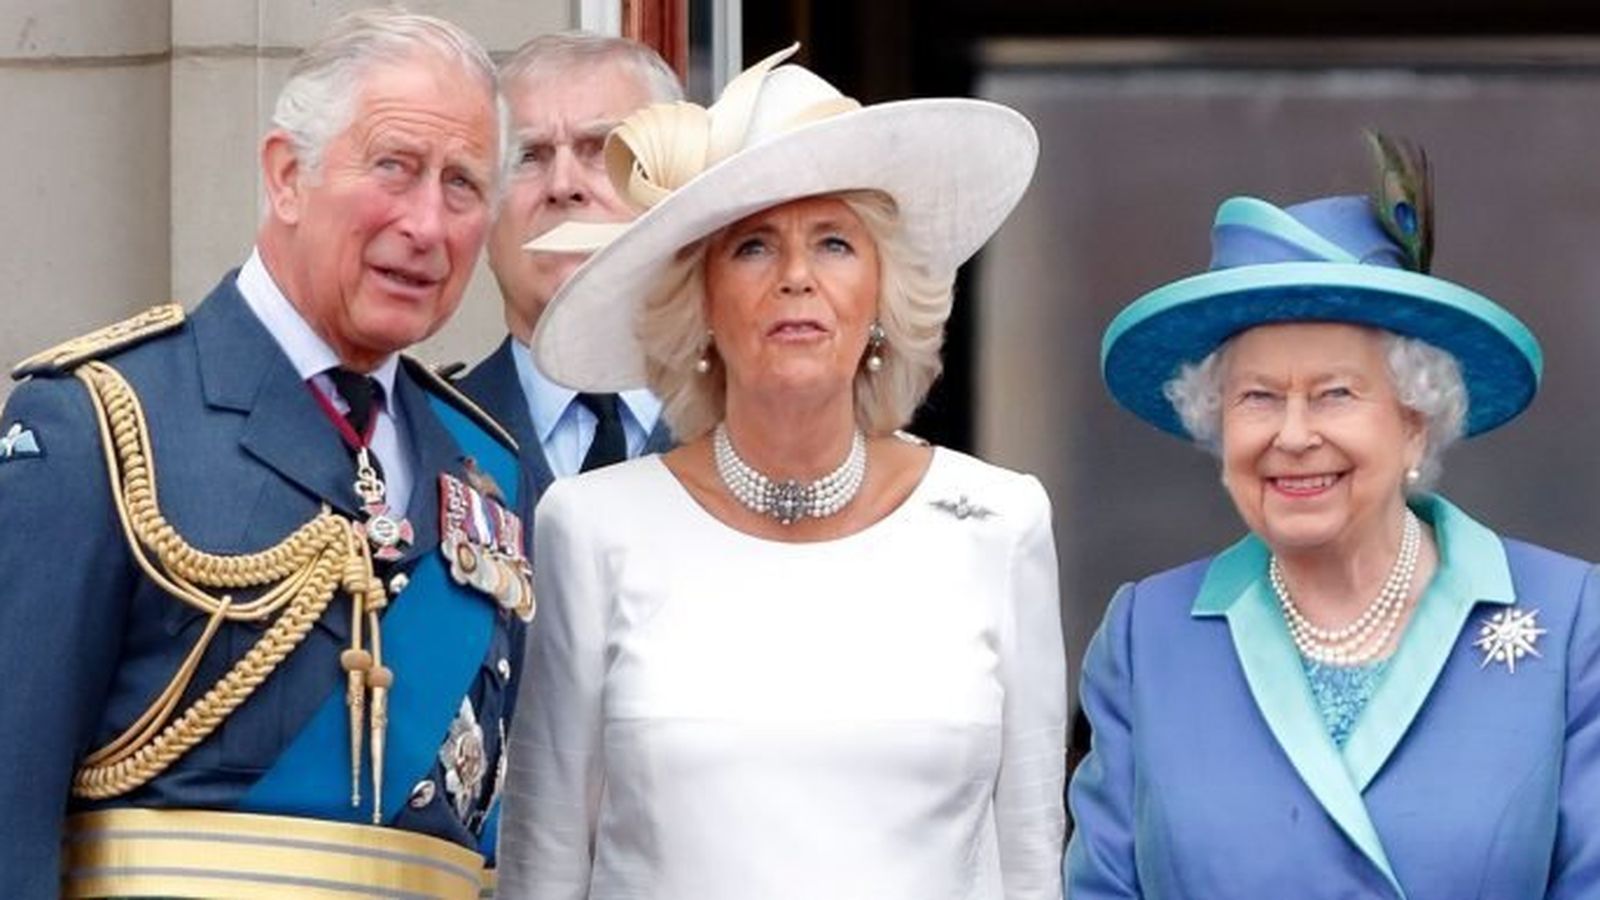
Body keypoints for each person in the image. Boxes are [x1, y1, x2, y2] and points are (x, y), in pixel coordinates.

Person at [496, 46, 1066, 900]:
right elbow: (543, 864)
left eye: (834, 243)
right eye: (755, 247)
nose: (797, 278)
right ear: (702, 303)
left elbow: (1027, 868)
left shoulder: (996, 519)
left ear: (880, 297)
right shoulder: (591, 525)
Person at [0, 10, 530, 899]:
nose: (428, 224)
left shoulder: (488, 469)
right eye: (394, 167)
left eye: (464, 186)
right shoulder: (100, 424)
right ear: (288, 176)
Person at [1067, 141, 1600, 899]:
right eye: (1257, 398)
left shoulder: (1575, 620)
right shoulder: (1145, 636)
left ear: (1415, 421)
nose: (1291, 435)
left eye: (1335, 393)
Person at [458, 33, 680, 505]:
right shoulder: (421, 437)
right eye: (527, 156)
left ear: (678, 189)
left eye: (602, 149)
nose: (562, 185)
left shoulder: (758, 430)